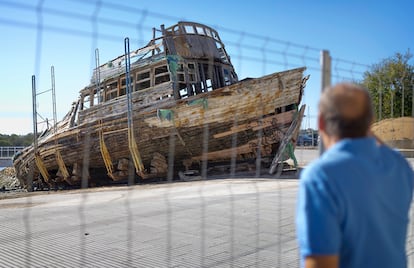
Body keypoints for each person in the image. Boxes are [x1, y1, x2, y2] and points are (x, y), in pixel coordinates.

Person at [296, 83, 414, 268]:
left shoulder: (321, 176)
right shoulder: (400, 166)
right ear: (371, 121)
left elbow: (320, 263)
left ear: (320, 122)